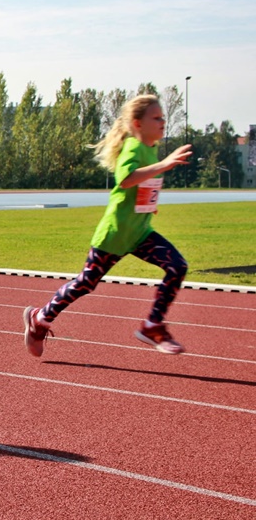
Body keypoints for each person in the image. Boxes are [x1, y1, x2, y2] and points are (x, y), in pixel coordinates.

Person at [23, 94, 192, 357]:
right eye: (156, 118)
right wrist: (165, 164)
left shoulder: (149, 149)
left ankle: (153, 325)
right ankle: (40, 317)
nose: (163, 121)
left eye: (163, 117)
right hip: (114, 234)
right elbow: (125, 179)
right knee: (86, 283)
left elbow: (139, 186)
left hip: (139, 233)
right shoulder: (134, 147)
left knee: (177, 266)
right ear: (137, 123)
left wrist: (148, 202)